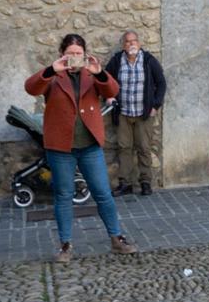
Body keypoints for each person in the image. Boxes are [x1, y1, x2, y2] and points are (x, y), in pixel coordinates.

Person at [25, 34, 136, 263]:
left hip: (89, 146)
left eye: (78, 53)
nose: (75, 57)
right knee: (64, 195)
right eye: (71, 53)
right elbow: (31, 88)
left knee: (103, 193)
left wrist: (100, 73)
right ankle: (65, 245)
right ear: (62, 53)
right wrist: (50, 70)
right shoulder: (54, 75)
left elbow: (112, 91)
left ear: (84, 54)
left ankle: (116, 238)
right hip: (61, 147)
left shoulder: (90, 74)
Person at [105, 31, 167, 196]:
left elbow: (161, 83)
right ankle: (125, 183)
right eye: (127, 42)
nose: (131, 44)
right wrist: (108, 95)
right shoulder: (117, 61)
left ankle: (145, 182)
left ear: (139, 43)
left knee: (144, 148)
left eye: (134, 41)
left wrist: (156, 105)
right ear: (123, 45)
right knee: (124, 148)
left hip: (143, 113)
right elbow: (105, 80)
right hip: (123, 113)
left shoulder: (148, 60)